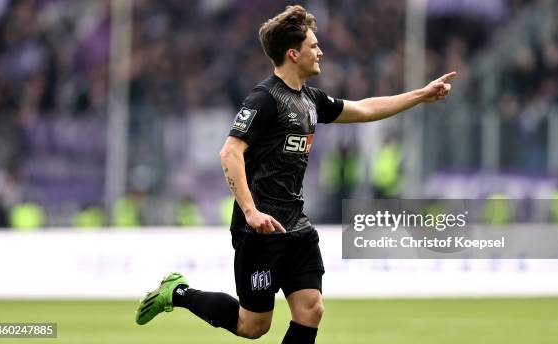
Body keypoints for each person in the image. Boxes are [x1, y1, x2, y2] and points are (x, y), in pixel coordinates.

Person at [135, 5, 455, 343]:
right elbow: (230, 152)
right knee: (253, 326)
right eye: (313, 45)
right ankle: (178, 293)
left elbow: (363, 109)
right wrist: (251, 211)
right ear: (293, 53)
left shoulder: (311, 100)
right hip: (260, 230)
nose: (320, 51)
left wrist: (421, 95)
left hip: (295, 225)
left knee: (311, 309)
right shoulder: (264, 99)